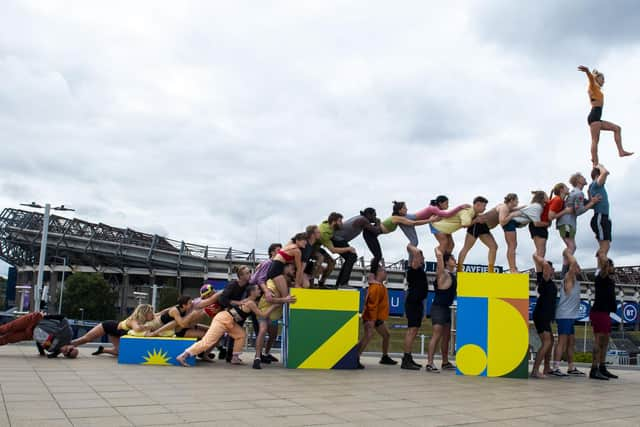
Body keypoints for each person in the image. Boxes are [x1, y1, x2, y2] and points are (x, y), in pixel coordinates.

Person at [176, 284, 277, 367]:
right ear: (252, 292)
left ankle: (235, 358)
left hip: (230, 321)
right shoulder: (250, 302)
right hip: (222, 319)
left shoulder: (250, 301)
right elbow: (263, 314)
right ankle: (183, 356)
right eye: (257, 289)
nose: (259, 290)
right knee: (208, 341)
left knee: (241, 334)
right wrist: (275, 305)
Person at [577, 65, 633, 166]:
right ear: (597, 79)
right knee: (595, 140)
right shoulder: (592, 86)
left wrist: (592, 74)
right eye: (602, 79)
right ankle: (595, 162)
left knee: (617, 128)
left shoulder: (597, 89)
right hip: (594, 117)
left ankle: (621, 151)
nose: (604, 81)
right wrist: (587, 71)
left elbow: (593, 79)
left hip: (597, 117)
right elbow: (590, 79)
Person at [254, 264, 297, 369]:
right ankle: (257, 357)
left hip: (274, 315)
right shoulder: (272, 282)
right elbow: (269, 299)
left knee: (273, 335)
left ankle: (266, 353)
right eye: (292, 268)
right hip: (264, 311)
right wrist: (284, 300)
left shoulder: (288, 283)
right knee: (263, 330)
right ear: (284, 268)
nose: (294, 271)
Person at [556, 173, 601, 270]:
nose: (584, 178)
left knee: (571, 247)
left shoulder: (575, 193)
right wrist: (592, 202)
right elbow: (579, 211)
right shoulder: (578, 193)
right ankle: (565, 272)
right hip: (567, 225)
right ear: (578, 181)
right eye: (582, 177)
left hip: (565, 224)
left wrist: (591, 199)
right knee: (571, 247)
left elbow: (588, 205)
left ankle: (565, 271)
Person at [550, 250, 585, 377]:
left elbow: (573, 264)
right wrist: (566, 252)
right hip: (564, 315)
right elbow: (574, 263)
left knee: (571, 342)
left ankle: (571, 367)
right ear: (572, 269)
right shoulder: (568, 279)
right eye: (577, 267)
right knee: (562, 342)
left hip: (570, 316)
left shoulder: (574, 280)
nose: (579, 268)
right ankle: (555, 367)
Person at [72, 304, 155, 356]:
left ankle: (102, 350)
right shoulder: (134, 320)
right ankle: (67, 345)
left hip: (116, 333)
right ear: (144, 313)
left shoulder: (143, 321)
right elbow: (137, 329)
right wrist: (149, 327)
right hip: (108, 326)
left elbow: (160, 314)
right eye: (151, 312)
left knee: (119, 352)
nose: (153, 314)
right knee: (86, 338)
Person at [357, 266, 397, 368]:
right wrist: (371, 320)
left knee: (386, 335)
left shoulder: (380, 286)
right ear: (379, 272)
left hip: (377, 317)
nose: (386, 273)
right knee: (368, 336)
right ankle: (355, 357)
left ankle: (384, 357)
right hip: (371, 316)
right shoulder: (375, 287)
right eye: (385, 271)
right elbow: (371, 305)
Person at [398, 197, 467, 256]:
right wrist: (460, 207)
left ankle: (446, 260)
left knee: (451, 244)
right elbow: (447, 214)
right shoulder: (434, 208)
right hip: (414, 219)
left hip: (435, 222)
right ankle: (441, 259)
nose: (448, 205)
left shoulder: (436, 210)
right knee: (443, 243)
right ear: (440, 203)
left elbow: (447, 215)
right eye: (446, 203)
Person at [426, 248, 457, 372]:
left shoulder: (452, 274)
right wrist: (440, 249)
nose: (455, 260)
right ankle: (429, 363)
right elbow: (439, 255)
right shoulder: (443, 274)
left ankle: (445, 362)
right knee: (436, 335)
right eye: (452, 259)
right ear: (446, 262)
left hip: (446, 308)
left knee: (446, 336)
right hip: (438, 308)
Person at [589, 256, 619, 380]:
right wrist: (603, 260)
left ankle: (602, 366)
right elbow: (602, 267)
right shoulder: (601, 277)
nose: (613, 268)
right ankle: (594, 369)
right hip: (599, 312)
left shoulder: (609, 280)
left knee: (605, 340)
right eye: (611, 266)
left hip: (605, 313)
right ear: (607, 266)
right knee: (599, 339)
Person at [0, 312, 78, 358]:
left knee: (8, 339)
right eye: (70, 349)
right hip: (34, 320)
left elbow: (41, 341)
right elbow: (63, 318)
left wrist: (42, 353)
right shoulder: (68, 334)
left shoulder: (52, 350)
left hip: (30, 334)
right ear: (72, 346)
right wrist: (45, 316)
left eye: (67, 354)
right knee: (5, 329)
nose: (67, 351)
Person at [455, 196, 499, 273]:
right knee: (466, 248)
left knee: (494, 246)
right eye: (484, 206)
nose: (485, 208)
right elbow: (464, 225)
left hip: (483, 226)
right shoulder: (469, 210)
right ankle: (459, 269)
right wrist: (475, 220)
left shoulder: (478, 212)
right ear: (478, 204)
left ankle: (490, 270)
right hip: (475, 226)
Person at [530, 255, 557, 379]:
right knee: (546, 342)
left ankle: (546, 367)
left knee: (551, 342)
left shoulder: (548, 281)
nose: (553, 270)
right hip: (541, 315)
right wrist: (539, 256)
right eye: (551, 268)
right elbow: (544, 265)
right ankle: (535, 370)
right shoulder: (544, 279)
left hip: (545, 316)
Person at [401, 250, 428, 370]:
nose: (423, 259)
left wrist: (424, 311)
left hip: (418, 303)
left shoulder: (421, 271)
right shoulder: (413, 269)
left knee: (414, 330)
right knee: (411, 331)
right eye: (421, 257)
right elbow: (414, 255)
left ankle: (409, 357)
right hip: (413, 303)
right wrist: (416, 250)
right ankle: (406, 359)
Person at [313, 212, 356, 287]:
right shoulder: (325, 233)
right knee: (321, 258)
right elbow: (333, 250)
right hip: (311, 248)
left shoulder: (328, 224)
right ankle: (311, 281)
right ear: (333, 222)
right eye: (340, 221)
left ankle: (321, 283)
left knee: (332, 262)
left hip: (317, 247)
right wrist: (348, 248)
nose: (342, 223)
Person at [334, 208, 382, 273]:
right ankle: (342, 282)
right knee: (352, 257)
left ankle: (341, 281)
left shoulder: (361, 218)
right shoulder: (363, 220)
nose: (375, 217)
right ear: (368, 215)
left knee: (351, 257)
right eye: (374, 215)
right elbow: (376, 231)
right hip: (337, 238)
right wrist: (378, 222)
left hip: (338, 238)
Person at [589, 164, 612, 261]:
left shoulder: (597, 186)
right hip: (600, 217)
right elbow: (606, 172)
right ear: (597, 176)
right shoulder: (595, 184)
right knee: (605, 247)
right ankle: (602, 272)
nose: (605, 179)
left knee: (605, 247)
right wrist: (600, 166)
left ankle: (600, 270)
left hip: (603, 218)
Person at [498, 193, 524, 273]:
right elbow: (502, 222)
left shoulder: (508, 207)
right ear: (512, 200)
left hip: (509, 223)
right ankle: (512, 269)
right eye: (517, 201)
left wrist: (526, 207)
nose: (518, 202)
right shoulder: (504, 207)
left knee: (513, 245)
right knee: (512, 245)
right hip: (507, 224)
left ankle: (513, 267)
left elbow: (516, 208)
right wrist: (512, 215)